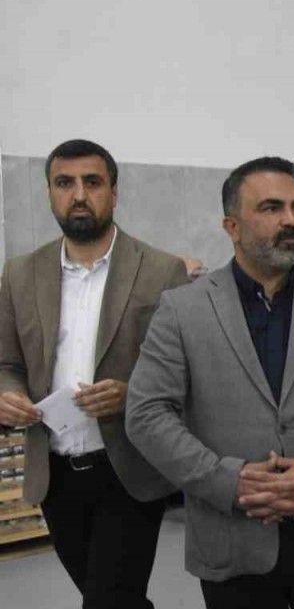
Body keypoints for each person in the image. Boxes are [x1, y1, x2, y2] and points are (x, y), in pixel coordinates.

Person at [126, 156, 294, 608]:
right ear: (231, 226)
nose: (291, 220)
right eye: (272, 208)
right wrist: (229, 481)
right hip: (233, 540)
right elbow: (146, 413)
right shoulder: (182, 310)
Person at [0, 139, 188, 609]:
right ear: (49, 193)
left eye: (92, 182)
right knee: (113, 597)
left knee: (107, 600)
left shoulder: (162, 271)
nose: (79, 195)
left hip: (128, 468)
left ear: (114, 192)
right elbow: (7, 365)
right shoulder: (19, 274)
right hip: (55, 475)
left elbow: (187, 372)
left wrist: (132, 394)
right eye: (65, 183)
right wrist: (9, 395)